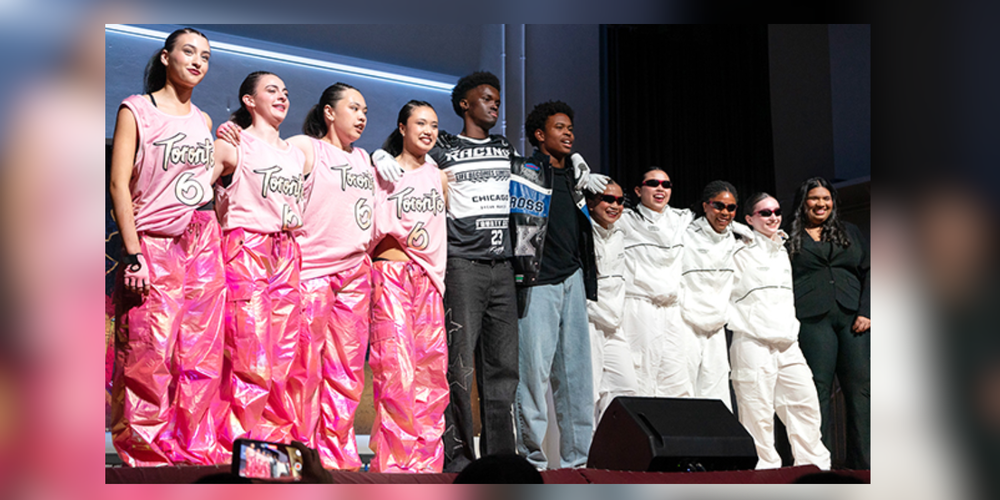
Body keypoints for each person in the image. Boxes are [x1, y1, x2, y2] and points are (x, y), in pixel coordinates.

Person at [109, 27, 226, 466]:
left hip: (203, 238)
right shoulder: (136, 110)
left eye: (206, 56)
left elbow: (197, 183)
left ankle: (195, 448)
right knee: (148, 352)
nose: (198, 61)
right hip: (155, 242)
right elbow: (119, 183)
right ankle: (146, 454)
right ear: (165, 57)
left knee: (200, 351)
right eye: (189, 52)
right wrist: (133, 250)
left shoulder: (203, 120)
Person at [212, 71, 308, 451]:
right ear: (249, 101)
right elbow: (194, 190)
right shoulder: (235, 144)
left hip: (287, 251)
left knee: (284, 355)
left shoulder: (297, 155)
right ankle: (238, 447)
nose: (282, 96)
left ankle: (274, 447)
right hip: (247, 247)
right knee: (249, 352)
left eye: (285, 91)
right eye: (271, 90)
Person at [290, 83, 374, 469]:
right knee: (304, 369)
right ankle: (301, 452)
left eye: (365, 111)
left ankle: (337, 454)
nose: (360, 116)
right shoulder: (307, 147)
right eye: (353, 108)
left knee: (347, 371)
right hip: (312, 271)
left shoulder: (366, 160)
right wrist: (235, 131)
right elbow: (264, 158)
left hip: (354, 274)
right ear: (329, 112)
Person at [512, 100, 597, 469]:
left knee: (578, 378)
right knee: (532, 376)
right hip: (537, 279)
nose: (568, 134)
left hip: (573, 279)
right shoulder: (526, 171)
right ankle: (532, 462)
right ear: (539, 134)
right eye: (559, 128)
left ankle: (580, 463)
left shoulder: (577, 179)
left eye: (570, 129)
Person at [368, 100, 450, 473]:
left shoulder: (439, 174)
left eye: (433, 124)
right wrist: (376, 156)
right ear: (402, 127)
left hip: (430, 282)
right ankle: (396, 465)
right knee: (396, 371)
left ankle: (427, 466)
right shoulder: (382, 169)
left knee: (432, 374)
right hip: (393, 276)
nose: (428, 130)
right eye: (420, 123)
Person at [729, 192, 830, 469]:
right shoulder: (737, 249)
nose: (773, 217)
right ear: (749, 218)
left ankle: (816, 470)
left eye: (776, 211)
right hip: (753, 340)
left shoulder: (784, 248)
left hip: (787, 341)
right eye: (765, 213)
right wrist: (737, 230)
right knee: (757, 413)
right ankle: (764, 474)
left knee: (805, 406)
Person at [787, 177, 870, 469]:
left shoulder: (851, 232)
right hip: (811, 319)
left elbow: (872, 270)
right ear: (803, 202)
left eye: (826, 198)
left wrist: (867, 310)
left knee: (861, 388)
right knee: (817, 389)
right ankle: (819, 462)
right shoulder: (788, 235)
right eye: (814, 198)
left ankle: (865, 462)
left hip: (852, 319)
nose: (821, 204)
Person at [617, 167, 694, 398]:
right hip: (638, 309)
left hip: (672, 311)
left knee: (676, 380)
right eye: (653, 184)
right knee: (639, 379)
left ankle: (673, 433)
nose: (660, 189)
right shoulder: (624, 220)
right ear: (639, 190)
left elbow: (716, 226)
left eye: (666, 185)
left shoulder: (682, 219)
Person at [677, 180, 752, 409]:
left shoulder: (735, 239)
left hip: (716, 328)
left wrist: (745, 232)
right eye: (719, 206)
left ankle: (712, 445)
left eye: (731, 208)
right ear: (705, 205)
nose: (725, 212)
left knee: (716, 395)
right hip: (685, 323)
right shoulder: (685, 233)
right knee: (683, 388)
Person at [584, 180, 635, 424]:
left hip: (615, 324)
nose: (615, 205)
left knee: (625, 388)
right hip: (589, 321)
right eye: (608, 199)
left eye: (619, 200)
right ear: (591, 202)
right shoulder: (581, 231)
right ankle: (586, 456)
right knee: (589, 393)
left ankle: (611, 453)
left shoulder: (621, 231)